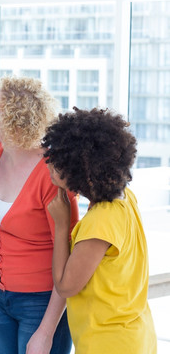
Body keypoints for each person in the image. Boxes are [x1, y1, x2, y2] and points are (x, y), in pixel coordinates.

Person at [43, 107, 157, 354]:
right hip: (134, 334)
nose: (49, 165)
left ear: (83, 174)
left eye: (59, 163)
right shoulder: (126, 199)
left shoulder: (99, 222)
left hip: (109, 343)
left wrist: (63, 225)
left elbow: (65, 286)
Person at [0, 76, 78, 354]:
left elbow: (70, 256)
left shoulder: (53, 174)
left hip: (43, 300)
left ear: (16, 125)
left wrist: (46, 332)